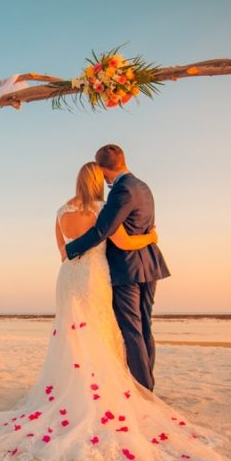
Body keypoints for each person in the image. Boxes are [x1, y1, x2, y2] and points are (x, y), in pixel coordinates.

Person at [0, 163, 231, 461]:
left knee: (70, 335)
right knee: (101, 332)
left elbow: (62, 252)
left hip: (68, 277)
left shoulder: (61, 210)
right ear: (99, 182)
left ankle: (68, 389)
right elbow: (126, 244)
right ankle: (100, 391)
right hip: (94, 277)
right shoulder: (104, 209)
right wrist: (153, 235)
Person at [65, 144, 169, 391]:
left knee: (131, 329)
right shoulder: (143, 186)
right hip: (149, 265)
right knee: (144, 326)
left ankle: (143, 388)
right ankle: (147, 382)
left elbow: (103, 231)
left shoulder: (121, 191)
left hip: (127, 268)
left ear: (101, 169)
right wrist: (152, 238)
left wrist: (70, 250)